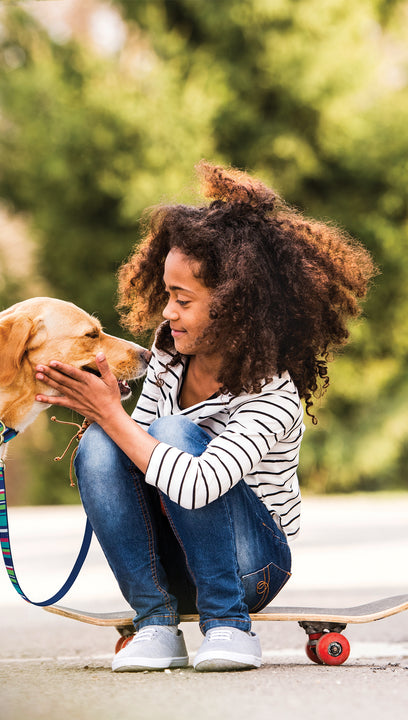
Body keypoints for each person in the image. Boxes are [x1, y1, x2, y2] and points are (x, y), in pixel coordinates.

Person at [35, 161, 375, 673]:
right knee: (102, 446)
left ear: (237, 306)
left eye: (182, 299)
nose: (166, 312)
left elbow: (197, 484)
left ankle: (229, 626)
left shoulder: (273, 394)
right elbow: (136, 452)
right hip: (173, 559)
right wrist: (99, 413)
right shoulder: (169, 356)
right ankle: (155, 623)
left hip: (251, 566)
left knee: (171, 431)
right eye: (166, 294)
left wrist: (110, 414)